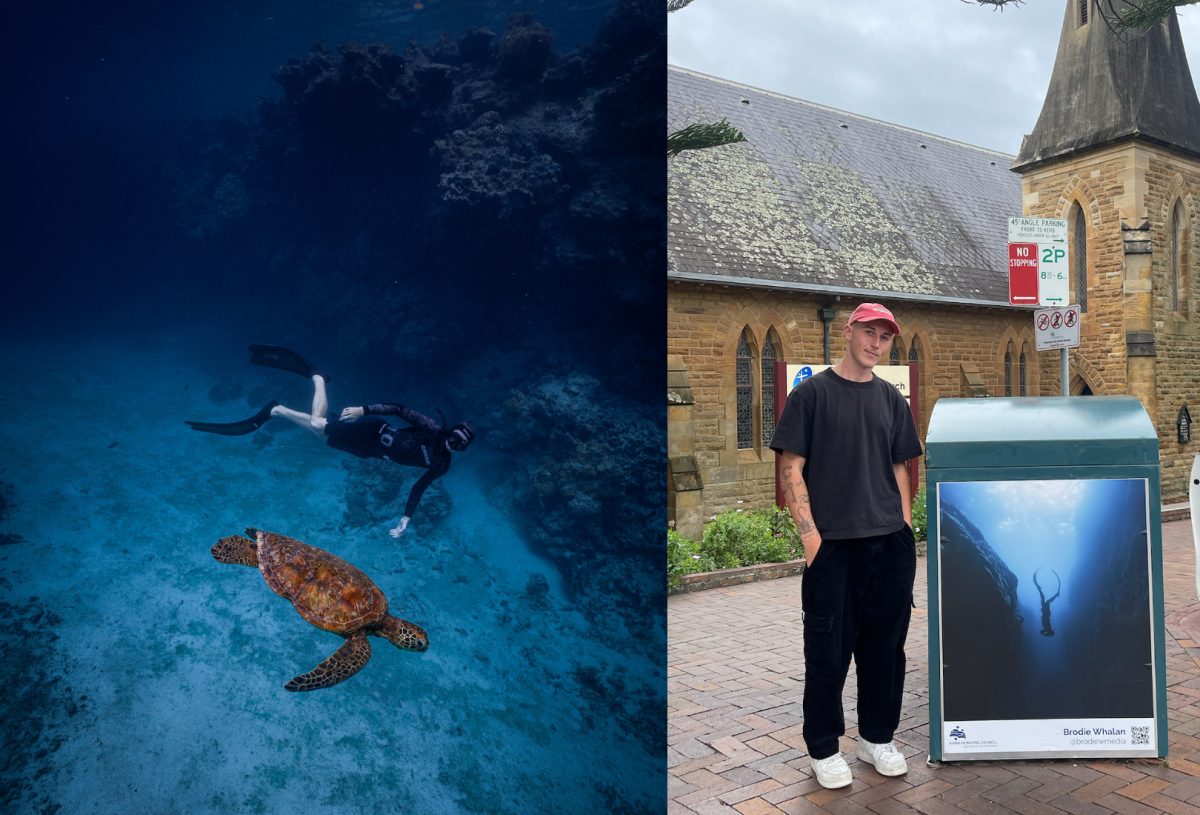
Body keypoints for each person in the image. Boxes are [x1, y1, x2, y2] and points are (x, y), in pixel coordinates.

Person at [768, 303, 922, 790]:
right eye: (869, 333)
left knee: (885, 650)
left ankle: (877, 738)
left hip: (887, 545)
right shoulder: (811, 395)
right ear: (851, 332)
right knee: (828, 653)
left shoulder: (891, 400)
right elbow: (791, 465)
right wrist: (811, 537)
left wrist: (904, 528)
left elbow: (901, 469)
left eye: (885, 337)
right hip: (833, 548)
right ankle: (825, 747)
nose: (876, 343)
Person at [186, 345, 474, 538]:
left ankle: (278, 409)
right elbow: (398, 409)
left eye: (462, 446)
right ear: (450, 432)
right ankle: (317, 379)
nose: (455, 445)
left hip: (369, 451)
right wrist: (365, 410)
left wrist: (406, 518)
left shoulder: (441, 464)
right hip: (373, 430)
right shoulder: (432, 428)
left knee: (318, 432)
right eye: (455, 438)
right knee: (318, 425)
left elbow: (420, 486)